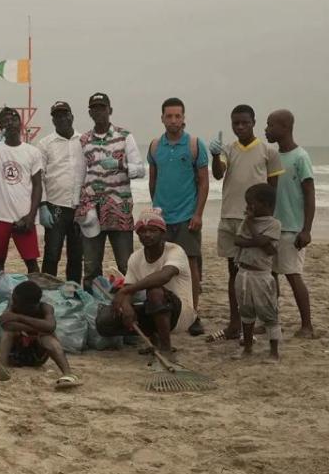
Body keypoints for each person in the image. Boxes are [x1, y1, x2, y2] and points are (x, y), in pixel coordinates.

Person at [210, 104, 284, 341]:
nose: (240, 127)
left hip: (258, 221)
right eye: (235, 123)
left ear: (253, 122)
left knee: (265, 271)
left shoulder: (268, 152)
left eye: (245, 122)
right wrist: (214, 155)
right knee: (235, 273)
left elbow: (272, 192)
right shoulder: (228, 150)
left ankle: (266, 320)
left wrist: (267, 221)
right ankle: (236, 323)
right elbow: (219, 173)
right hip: (230, 218)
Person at [147, 97, 209, 336]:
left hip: (187, 217)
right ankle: (167, 312)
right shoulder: (155, 146)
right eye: (169, 116)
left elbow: (203, 183)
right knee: (161, 266)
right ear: (162, 118)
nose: (173, 120)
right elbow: (153, 181)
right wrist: (155, 211)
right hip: (162, 218)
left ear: (184, 118)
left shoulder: (194, 144)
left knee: (191, 266)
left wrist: (198, 214)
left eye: (177, 116)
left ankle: (193, 315)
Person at [103, 208, 197, 354]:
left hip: (180, 315)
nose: (147, 235)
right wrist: (126, 305)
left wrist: (126, 291)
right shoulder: (135, 257)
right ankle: (154, 340)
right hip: (154, 310)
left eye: (153, 230)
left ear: (163, 233)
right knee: (105, 321)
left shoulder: (175, 251)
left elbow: (164, 276)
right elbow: (128, 286)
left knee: (155, 292)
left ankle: (166, 348)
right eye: (143, 231)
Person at [77, 93, 145, 291]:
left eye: (102, 107)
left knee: (126, 265)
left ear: (110, 110)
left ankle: (131, 306)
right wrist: (77, 209)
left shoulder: (124, 136)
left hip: (119, 209)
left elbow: (140, 170)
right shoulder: (84, 140)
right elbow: (80, 175)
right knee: (90, 268)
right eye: (95, 108)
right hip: (91, 211)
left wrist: (120, 164)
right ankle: (92, 309)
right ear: (90, 112)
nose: (99, 111)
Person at [264, 110, 317, 338]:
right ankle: (270, 321)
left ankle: (307, 325)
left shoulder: (300, 157)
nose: (266, 130)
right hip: (273, 227)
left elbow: (309, 194)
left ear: (284, 127)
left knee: (293, 276)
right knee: (271, 277)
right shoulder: (274, 157)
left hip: (292, 229)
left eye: (270, 125)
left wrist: (306, 229)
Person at [0, 107, 44, 272]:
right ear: (0, 126)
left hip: (23, 216)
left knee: (31, 263)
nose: (10, 123)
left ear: (21, 123)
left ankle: (33, 296)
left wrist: (31, 216)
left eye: (13, 119)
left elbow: (38, 185)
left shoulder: (33, 152)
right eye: (5, 121)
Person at [36, 101, 85, 284]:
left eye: (65, 114)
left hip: (80, 208)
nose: (62, 118)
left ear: (72, 116)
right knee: (52, 254)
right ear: (53, 120)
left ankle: (73, 293)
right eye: (57, 116)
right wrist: (42, 205)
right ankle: (48, 292)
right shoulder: (45, 144)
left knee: (76, 256)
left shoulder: (84, 140)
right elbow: (39, 177)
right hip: (55, 208)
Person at [0, 281, 80, 389]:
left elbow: (50, 326)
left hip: (37, 356)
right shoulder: (12, 306)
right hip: (14, 355)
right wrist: (38, 328)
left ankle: (68, 374)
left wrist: (19, 318)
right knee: (9, 333)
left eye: (15, 300)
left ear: (27, 305)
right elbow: (5, 323)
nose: (13, 301)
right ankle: (1, 367)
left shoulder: (45, 308)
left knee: (48, 338)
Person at [234, 184, 282, 360]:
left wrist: (251, 226)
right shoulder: (246, 222)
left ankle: (274, 352)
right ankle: (247, 348)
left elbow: (268, 248)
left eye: (252, 204)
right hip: (244, 272)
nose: (248, 208)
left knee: (269, 313)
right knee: (246, 312)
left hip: (261, 275)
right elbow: (238, 241)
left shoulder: (274, 224)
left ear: (266, 205)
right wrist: (258, 241)